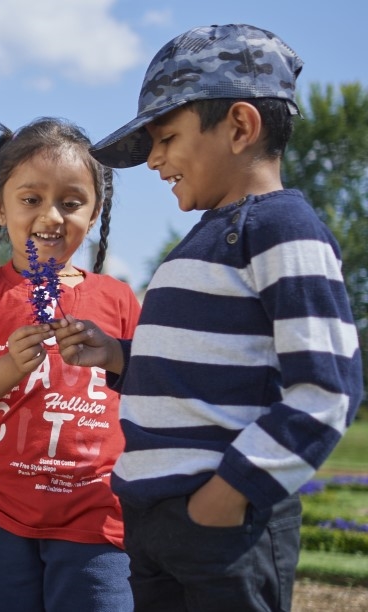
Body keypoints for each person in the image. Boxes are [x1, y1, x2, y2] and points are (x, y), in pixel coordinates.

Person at [54, 24, 363, 611]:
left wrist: (227, 496)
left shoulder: (282, 229)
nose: (154, 160)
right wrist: (119, 354)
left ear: (241, 126)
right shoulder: (200, 242)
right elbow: (204, 370)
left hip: (224, 524)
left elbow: (327, 388)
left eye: (166, 137)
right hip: (157, 523)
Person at [0, 117, 139, 611]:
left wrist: (113, 352)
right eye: (31, 199)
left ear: (94, 213)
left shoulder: (119, 298)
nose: (51, 215)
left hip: (97, 516)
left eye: (71, 202)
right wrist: (12, 366)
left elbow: (151, 387)